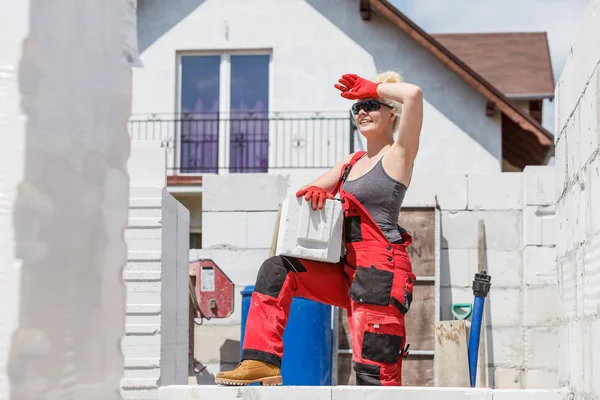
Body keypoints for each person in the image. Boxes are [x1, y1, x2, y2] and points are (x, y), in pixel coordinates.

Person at [215, 71, 423, 386]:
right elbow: (305, 193)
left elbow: (415, 95)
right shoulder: (351, 163)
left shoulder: (398, 156)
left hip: (381, 271)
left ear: (392, 112)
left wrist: (375, 86)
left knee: (373, 371)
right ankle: (261, 360)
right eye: (357, 107)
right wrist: (317, 192)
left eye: (371, 104)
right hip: (346, 269)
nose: (362, 111)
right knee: (278, 270)